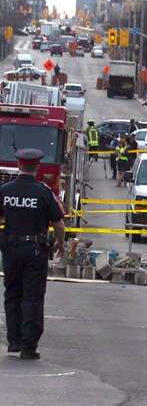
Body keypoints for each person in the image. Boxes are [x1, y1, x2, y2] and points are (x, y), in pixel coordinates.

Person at [0, 148, 65, 360]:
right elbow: (59, 223)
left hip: (11, 249)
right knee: (33, 297)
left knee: (12, 294)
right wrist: (61, 244)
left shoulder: (5, 190)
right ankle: (28, 346)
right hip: (35, 250)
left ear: (19, 166)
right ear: (37, 168)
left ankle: (14, 341)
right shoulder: (43, 192)